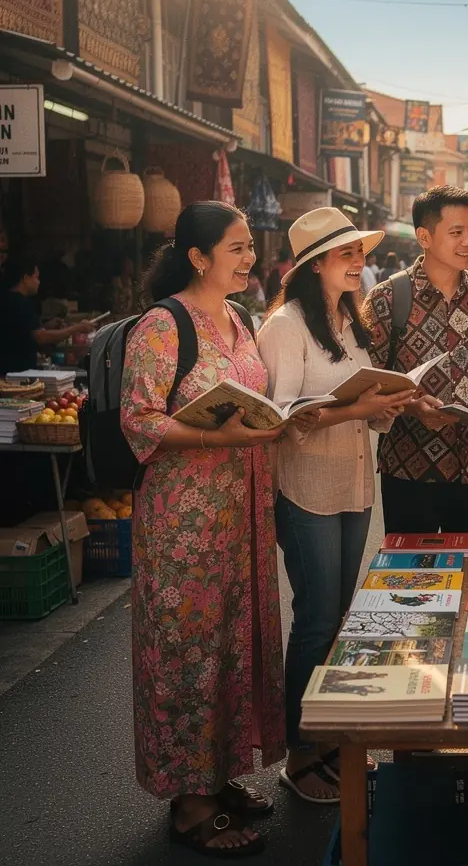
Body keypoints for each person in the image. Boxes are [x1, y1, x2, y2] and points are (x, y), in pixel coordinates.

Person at [121, 201, 317, 858]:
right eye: (235, 248)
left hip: (243, 517)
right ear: (198, 256)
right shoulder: (162, 324)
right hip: (185, 525)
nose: (248, 258)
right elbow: (141, 421)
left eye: (248, 247)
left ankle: (221, 774)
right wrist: (220, 432)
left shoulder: (238, 318)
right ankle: (189, 803)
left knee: (235, 646)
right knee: (188, 654)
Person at [258, 208, 414, 805]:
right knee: (318, 615)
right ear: (313, 264)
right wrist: (358, 408)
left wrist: (384, 408)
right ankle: (299, 753)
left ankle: (326, 740)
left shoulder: (349, 318)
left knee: (341, 613)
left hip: (353, 482)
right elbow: (284, 416)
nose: (358, 262)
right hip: (306, 488)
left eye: (359, 252)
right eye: (345, 253)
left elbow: (353, 397)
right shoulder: (286, 325)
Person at [364, 186, 468, 534]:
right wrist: (413, 407)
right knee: (411, 580)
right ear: (424, 236)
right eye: (456, 232)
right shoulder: (387, 299)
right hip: (409, 468)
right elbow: (369, 384)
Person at [0, 259, 96, 374]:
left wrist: (46, 326)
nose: (38, 282)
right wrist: (77, 328)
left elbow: (20, 332)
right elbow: (41, 337)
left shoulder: (6, 299)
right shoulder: (21, 302)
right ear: (25, 278)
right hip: (17, 373)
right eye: (36, 277)